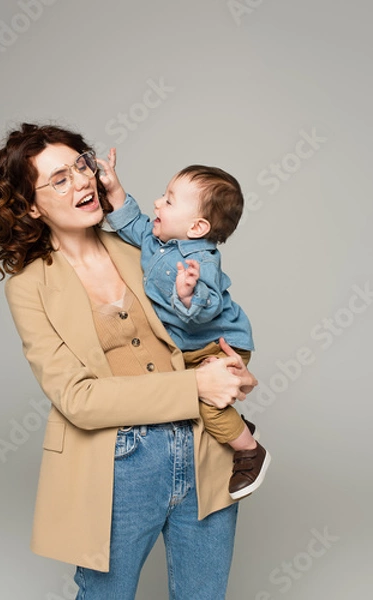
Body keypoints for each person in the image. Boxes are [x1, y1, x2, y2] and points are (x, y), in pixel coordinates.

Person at [0, 123, 258, 600]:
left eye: (81, 166)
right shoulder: (28, 286)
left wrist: (233, 371)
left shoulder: (145, 246)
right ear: (29, 205)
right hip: (117, 466)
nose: (82, 181)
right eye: (59, 179)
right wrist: (197, 388)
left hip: (206, 448)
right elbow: (78, 399)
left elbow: (207, 321)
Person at [102, 150, 271, 500]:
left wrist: (188, 294)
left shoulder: (200, 262)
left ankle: (250, 451)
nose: (157, 203)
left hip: (220, 342)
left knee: (208, 407)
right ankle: (235, 427)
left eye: (168, 200)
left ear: (197, 227)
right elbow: (131, 222)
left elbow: (207, 309)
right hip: (190, 347)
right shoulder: (157, 242)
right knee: (182, 390)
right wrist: (114, 186)